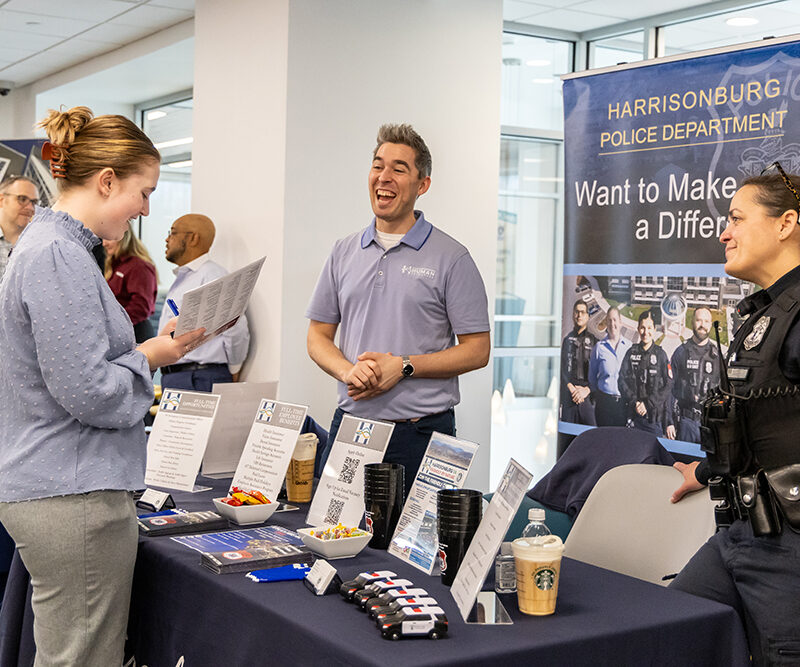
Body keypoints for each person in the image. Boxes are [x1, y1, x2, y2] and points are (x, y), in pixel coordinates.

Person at [0, 106, 204, 666]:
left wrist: (145, 352)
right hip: (73, 491)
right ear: (107, 180)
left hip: (62, 485)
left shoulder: (51, 248)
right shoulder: (58, 254)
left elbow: (76, 369)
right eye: (144, 192)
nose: (145, 208)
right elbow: (90, 391)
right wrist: (152, 357)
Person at [306, 123, 490, 497]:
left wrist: (403, 367)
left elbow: (478, 349)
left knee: (412, 553)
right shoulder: (343, 251)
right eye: (378, 165)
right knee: (331, 542)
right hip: (351, 427)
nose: (383, 177)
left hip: (421, 436)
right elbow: (317, 335)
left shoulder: (452, 258)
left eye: (399, 169)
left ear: (422, 185)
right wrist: (348, 371)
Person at [670, 165, 800, 665]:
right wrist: (704, 470)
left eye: (737, 219)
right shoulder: (763, 312)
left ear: (785, 223)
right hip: (739, 534)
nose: (724, 232)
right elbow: (765, 421)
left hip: (788, 548)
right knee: (670, 632)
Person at [157, 213, 250, 391]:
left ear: (193, 238)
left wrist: (235, 368)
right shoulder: (185, 278)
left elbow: (235, 327)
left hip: (199, 377)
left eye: (173, 233)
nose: (167, 239)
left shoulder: (212, 276)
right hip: (176, 377)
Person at [667, 307, 719, 443]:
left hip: (709, 424)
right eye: (699, 320)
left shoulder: (717, 356)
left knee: (707, 463)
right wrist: (669, 421)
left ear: (711, 324)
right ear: (692, 322)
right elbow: (669, 389)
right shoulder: (681, 352)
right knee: (684, 462)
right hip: (686, 422)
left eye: (706, 321)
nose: (702, 325)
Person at [618, 309, 673, 436]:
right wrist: (635, 402)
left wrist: (648, 404)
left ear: (654, 329)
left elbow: (668, 385)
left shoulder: (661, 355)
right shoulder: (631, 353)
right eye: (642, 328)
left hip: (654, 420)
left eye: (649, 328)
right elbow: (621, 381)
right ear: (638, 329)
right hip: (633, 417)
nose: (645, 332)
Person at [103, 221, 158, 343]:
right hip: (121, 330)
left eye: (109, 239)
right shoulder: (115, 265)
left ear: (124, 237)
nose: (104, 244)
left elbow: (141, 306)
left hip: (135, 331)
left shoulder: (139, 266)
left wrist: (114, 325)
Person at [588, 306, 630, 426]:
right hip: (604, 403)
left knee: (620, 441)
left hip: (623, 404)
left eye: (615, 320)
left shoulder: (629, 347)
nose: (612, 324)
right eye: (609, 320)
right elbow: (592, 377)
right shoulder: (599, 348)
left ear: (621, 322)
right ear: (606, 323)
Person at [560, 299, 597, 425]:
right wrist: (571, 388)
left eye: (582, 312)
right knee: (568, 437)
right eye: (576, 312)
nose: (579, 315)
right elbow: (562, 369)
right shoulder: (567, 340)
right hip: (569, 396)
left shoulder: (594, 342)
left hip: (586, 397)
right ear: (572, 315)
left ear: (588, 316)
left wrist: (586, 390)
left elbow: (599, 373)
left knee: (590, 437)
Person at [0, 175, 38, 281]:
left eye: (34, 202)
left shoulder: (38, 248)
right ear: (1, 200)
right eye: (22, 199)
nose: (30, 208)